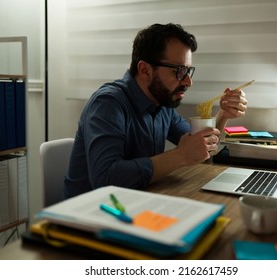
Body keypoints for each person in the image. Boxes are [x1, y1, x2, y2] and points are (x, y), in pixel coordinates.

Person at [63, 23, 247, 199]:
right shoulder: (108, 104)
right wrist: (181, 155)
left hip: (137, 201)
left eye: (188, 71)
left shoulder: (161, 103)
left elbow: (197, 147)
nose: (188, 82)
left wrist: (223, 115)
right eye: (179, 71)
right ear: (145, 70)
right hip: (89, 216)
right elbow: (106, 179)